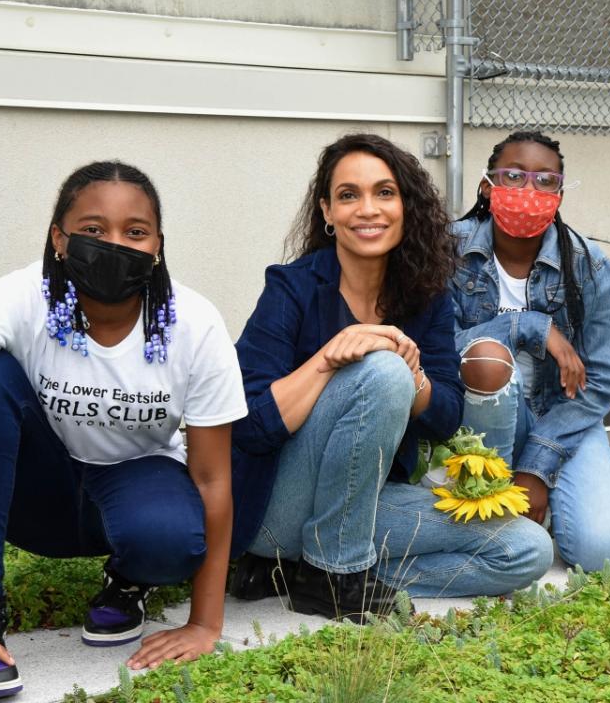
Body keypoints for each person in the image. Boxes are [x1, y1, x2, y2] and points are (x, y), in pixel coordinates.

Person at [0, 162, 247, 702]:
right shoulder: (23, 294)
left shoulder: (195, 323)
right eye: (93, 230)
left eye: (135, 232)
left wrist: (205, 623)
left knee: (169, 536)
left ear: (158, 245)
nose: (114, 244)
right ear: (59, 238)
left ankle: (127, 582)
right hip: (38, 491)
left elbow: (212, 479)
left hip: (135, 482)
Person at [231, 133, 551, 614]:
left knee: (526, 550)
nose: (368, 209)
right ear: (327, 212)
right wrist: (329, 358)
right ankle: (331, 575)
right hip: (277, 507)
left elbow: (444, 417)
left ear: (406, 206)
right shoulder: (292, 287)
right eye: (348, 195)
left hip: (358, 506)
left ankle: (313, 572)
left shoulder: (425, 296)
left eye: (384, 193)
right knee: (380, 369)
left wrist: (413, 373)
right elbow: (251, 424)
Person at [450, 130, 610, 572]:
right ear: (486, 187)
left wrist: (536, 465)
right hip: (476, 417)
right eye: (513, 176)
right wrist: (528, 325)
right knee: (489, 355)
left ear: (560, 194)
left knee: (600, 554)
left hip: (563, 417)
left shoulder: (591, 266)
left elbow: (602, 382)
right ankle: (495, 504)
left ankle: (531, 498)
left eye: (545, 181)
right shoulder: (446, 250)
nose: (528, 191)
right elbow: (439, 350)